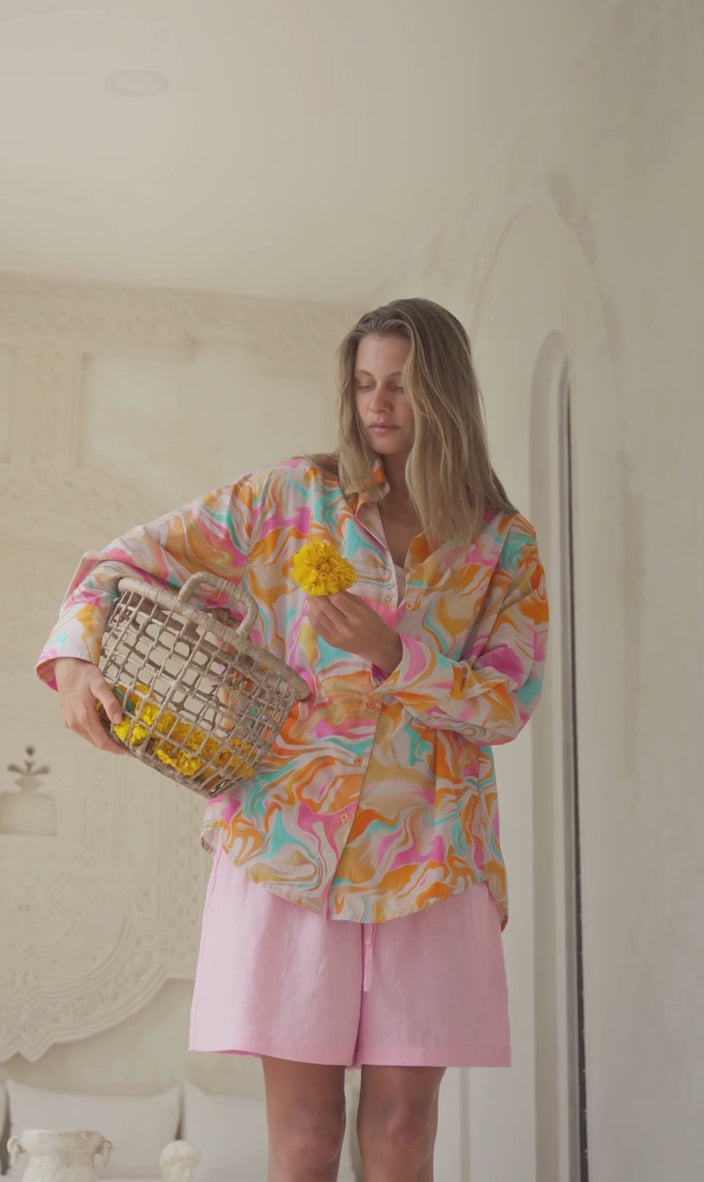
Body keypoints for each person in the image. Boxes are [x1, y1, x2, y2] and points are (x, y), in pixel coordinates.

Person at [37, 297, 549, 1182]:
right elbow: (123, 559)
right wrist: (79, 656)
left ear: (448, 396)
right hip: (287, 843)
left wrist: (398, 654)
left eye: (400, 385)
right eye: (362, 384)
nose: (377, 404)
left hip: (432, 853)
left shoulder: (503, 547)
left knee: (401, 1137)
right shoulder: (288, 498)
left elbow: (506, 704)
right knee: (305, 1140)